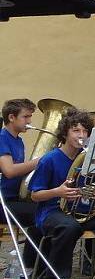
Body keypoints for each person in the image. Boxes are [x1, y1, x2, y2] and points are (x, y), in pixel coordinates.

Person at [29, 108, 95, 279]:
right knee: (69, 228)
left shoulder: (91, 157)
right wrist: (57, 192)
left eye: (85, 131)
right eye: (75, 130)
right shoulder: (50, 159)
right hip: (52, 211)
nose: (81, 135)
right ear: (65, 134)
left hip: (82, 211)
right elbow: (35, 195)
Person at [0, 98, 43, 269]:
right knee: (39, 215)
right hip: (3, 201)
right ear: (11, 117)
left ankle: (32, 265)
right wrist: (38, 162)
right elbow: (9, 171)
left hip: (13, 199)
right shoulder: (2, 138)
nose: (30, 121)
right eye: (26, 117)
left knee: (45, 209)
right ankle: (31, 267)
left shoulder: (18, 141)